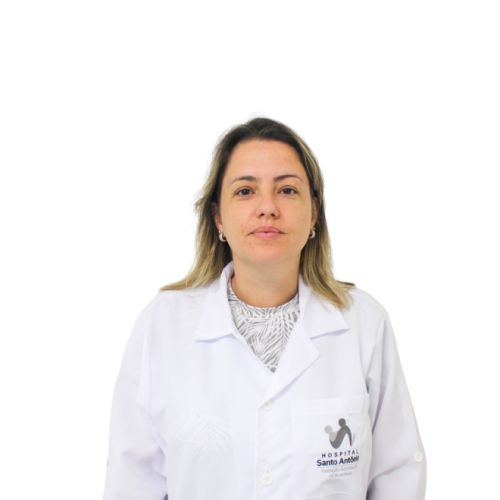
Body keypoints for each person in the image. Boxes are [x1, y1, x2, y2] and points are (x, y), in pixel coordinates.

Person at [102, 117, 427, 500]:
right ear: (218, 216)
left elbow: (397, 476)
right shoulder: (162, 325)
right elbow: (132, 484)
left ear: (313, 214)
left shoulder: (363, 324)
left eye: (287, 190)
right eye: (245, 191)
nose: (268, 208)